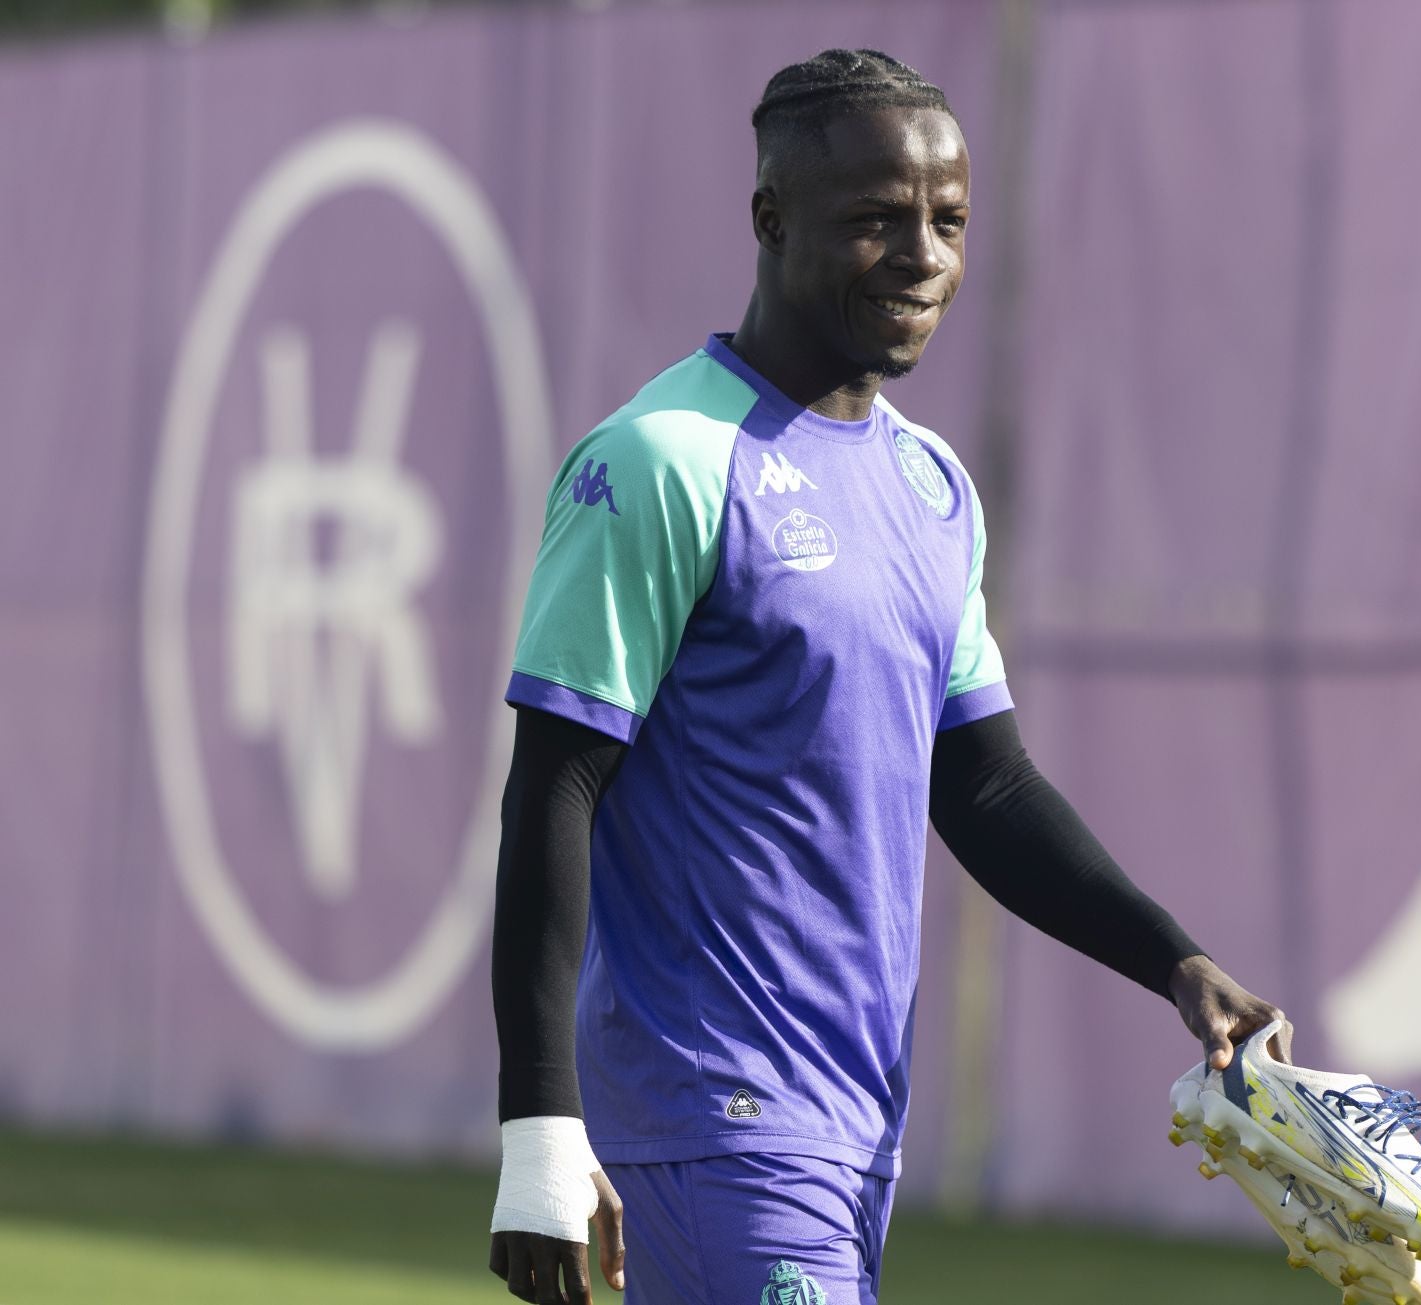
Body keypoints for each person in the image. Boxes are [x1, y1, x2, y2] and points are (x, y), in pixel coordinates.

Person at [486, 47, 1284, 1305]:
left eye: (950, 220)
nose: (924, 254)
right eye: (875, 220)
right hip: (712, 1116)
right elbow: (553, 792)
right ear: (770, 219)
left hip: (853, 1129)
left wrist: (1174, 962)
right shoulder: (661, 462)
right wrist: (539, 1130)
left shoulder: (931, 488)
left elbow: (988, 789)